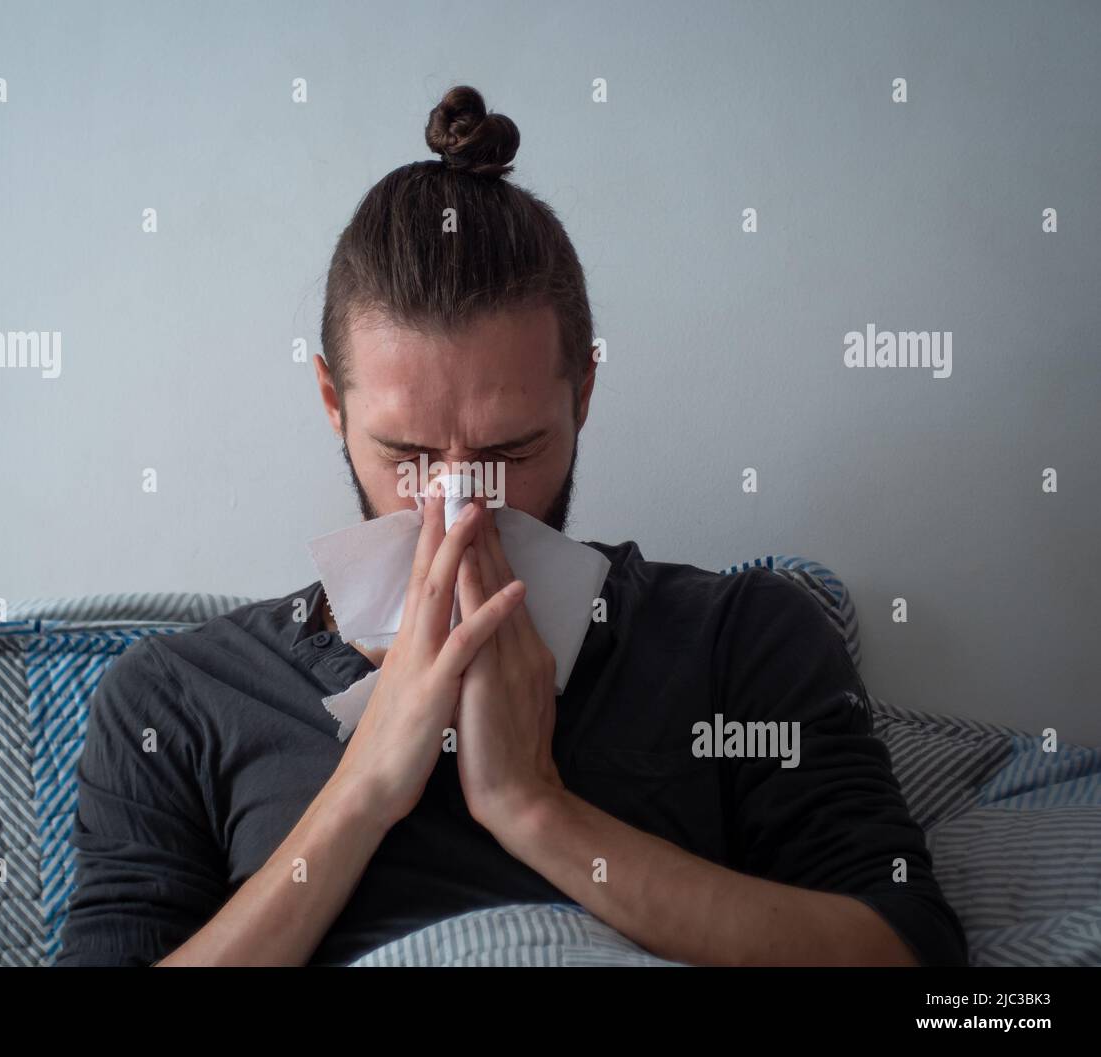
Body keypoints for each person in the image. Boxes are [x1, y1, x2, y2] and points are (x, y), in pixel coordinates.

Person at [54, 85, 967, 968]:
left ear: (584, 396)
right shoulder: (176, 698)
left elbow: (909, 955)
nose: (458, 505)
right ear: (333, 404)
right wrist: (363, 792)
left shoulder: (739, 639)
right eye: (407, 452)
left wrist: (534, 807)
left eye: (512, 449)